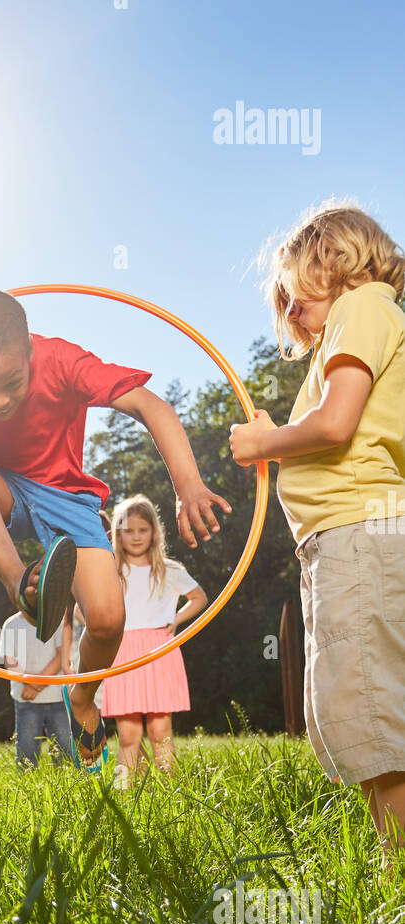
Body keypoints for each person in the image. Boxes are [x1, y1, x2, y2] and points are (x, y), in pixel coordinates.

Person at [0, 289, 230, 771]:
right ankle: (19, 582)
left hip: (66, 497)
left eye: (11, 381)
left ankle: (84, 699)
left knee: (109, 617)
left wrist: (188, 485)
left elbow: (151, 407)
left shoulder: (62, 359)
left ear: (31, 349)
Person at [229, 203, 405, 876]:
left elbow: (336, 425)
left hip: (355, 537)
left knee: (369, 710)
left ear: (332, 259)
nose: (287, 307)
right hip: (357, 538)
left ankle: (397, 881)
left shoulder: (362, 308)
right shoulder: (373, 321)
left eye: (291, 288)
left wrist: (265, 444)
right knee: (366, 705)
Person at [99, 495, 207, 783]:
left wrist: (177, 620)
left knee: (160, 732)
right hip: (123, 652)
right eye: (128, 530)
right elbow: (85, 610)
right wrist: (109, 629)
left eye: (142, 530)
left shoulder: (169, 569)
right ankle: (124, 790)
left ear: (153, 532)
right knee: (128, 734)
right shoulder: (111, 570)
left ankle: (171, 791)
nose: (135, 537)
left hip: (160, 651)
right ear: (118, 533)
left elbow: (198, 598)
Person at [0, 608, 73, 768]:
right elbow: (10, 662)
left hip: (57, 697)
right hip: (25, 699)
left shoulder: (55, 620)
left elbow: (61, 656)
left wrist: (36, 686)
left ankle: (67, 787)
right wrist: (33, 685)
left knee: (65, 753)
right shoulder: (11, 624)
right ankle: (27, 788)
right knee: (26, 753)